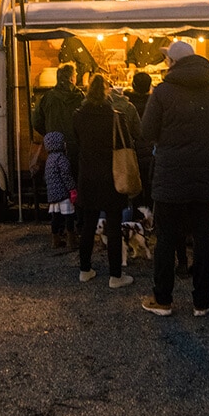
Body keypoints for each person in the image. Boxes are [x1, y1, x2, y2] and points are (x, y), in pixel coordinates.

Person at [140, 41, 209, 317]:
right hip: (203, 172)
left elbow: (147, 131)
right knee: (202, 238)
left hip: (170, 175)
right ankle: (202, 301)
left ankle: (163, 299)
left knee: (165, 238)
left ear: (173, 63)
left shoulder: (163, 91)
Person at [73, 74, 134, 289]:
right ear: (107, 91)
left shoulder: (78, 116)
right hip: (112, 176)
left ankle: (85, 269)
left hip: (87, 176)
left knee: (88, 225)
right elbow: (128, 142)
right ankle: (115, 276)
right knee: (114, 226)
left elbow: (75, 145)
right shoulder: (116, 116)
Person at [33, 63, 84, 175]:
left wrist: (49, 134)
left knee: (58, 182)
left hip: (54, 149)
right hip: (75, 148)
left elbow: (36, 121)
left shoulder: (47, 98)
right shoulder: (80, 97)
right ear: (71, 78)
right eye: (75, 75)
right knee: (74, 182)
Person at [43, 132, 78, 250]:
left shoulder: (49, 159)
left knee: (55, 218)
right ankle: (71, 241)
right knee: (69, 217)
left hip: (52, 195)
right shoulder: (61, 158)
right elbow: (66, 176)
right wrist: (72, 189)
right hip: (64, 194)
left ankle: (55, 241)